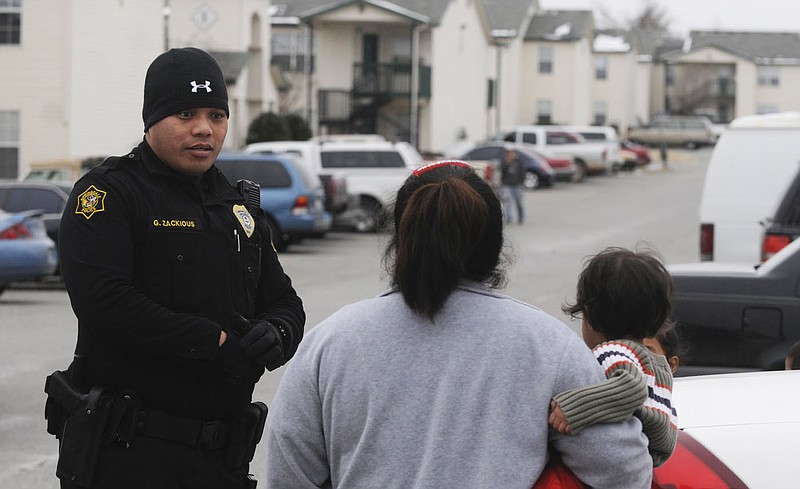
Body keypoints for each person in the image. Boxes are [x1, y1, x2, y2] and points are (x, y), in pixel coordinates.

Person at [264, 161, 652, 488]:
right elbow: (625, 471)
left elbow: (288, 474)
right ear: (496, 246)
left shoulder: (328, 344)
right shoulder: (548, 346)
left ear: (400, 240)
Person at [49, 47, 305, 489]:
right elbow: (103, 302)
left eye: (217, 115)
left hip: (221, 460)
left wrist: (278, 333)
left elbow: (283, 299)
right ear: (151, 121)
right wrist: (215, 342)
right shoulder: (110, 194)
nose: (204, 128)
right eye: (185, 113)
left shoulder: (236, 204)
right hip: (131, 457)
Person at [548, 247, 679, 468]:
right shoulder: (647, 355)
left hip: (643, 446)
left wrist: (572, 408)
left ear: (589, 314)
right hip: (655, 449)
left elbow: (632, 388)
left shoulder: (613, 351)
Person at [500, 144, 526, 224]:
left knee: (519, 202)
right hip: (507, 185)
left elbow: (522, 172)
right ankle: (509, 218)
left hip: (517, 185)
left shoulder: (518, 161)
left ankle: (521, 217)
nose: (510, 154)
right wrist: (507, 163)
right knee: (507, 201)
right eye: (508, 152)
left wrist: (521, 182)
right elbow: (502, 171)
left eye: (511, 152)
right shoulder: (504, 160)